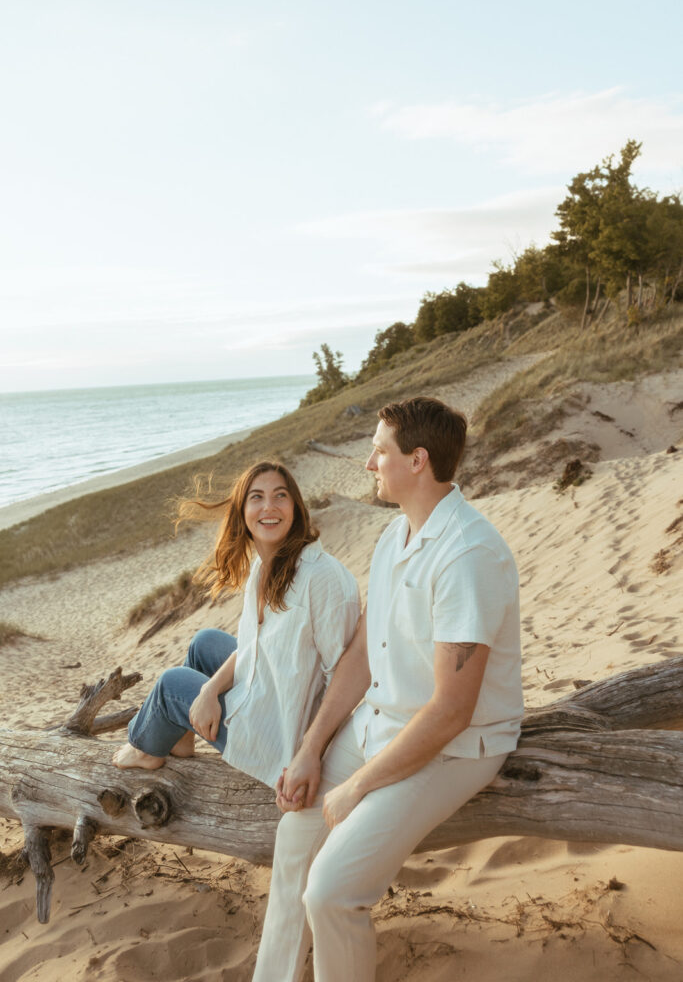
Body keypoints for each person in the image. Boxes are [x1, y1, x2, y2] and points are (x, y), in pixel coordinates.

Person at [253, 397, 524, 982]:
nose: (369, 463)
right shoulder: (393, 535)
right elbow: (361, 657)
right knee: (295, 833)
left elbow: (452, 711)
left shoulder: (467, 554)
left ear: (417, 461)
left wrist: (357, 787)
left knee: (331, 892)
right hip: (381, 722)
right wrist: (313, 748)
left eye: (379, 451)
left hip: (454, 745)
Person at [112, 460, 360, 792]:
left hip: (283, 734)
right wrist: (209, 691)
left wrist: (310, 754)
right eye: (256, 497)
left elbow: (344, 676)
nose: (269, 507)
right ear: (242, 512)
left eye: (280, 496)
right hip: (271, 694)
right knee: (205, 643)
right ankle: (184, 733)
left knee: (171, 684)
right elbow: (251, 645)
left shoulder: (322, 577)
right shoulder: (264, 568)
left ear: (296, 508)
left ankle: (145, 749)